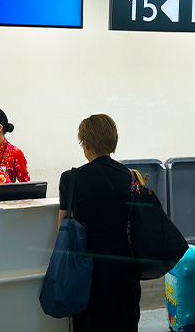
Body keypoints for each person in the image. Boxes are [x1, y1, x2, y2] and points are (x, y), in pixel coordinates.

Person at [58, 114, 141, 332]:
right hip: (126, 267)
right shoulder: (132, 176)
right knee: (125, 323)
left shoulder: (71, 178)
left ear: (85, 143)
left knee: (90, 324)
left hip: (88, 271)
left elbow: (63, 228)